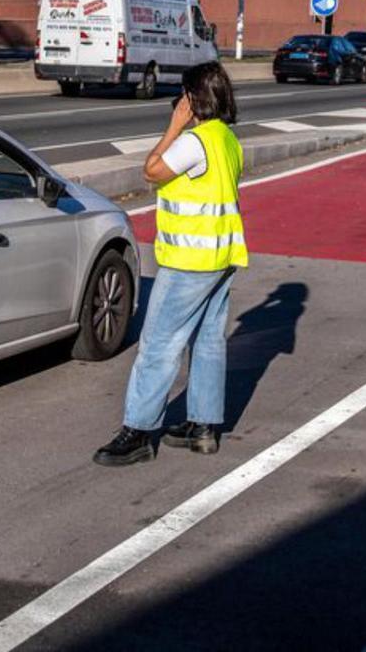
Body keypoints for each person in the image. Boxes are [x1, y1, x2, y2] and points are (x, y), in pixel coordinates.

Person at [94, 60, 247, 466]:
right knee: (209, 340)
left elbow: (151, 171)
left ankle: (139, 431)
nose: (178, 101)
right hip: (221, 256)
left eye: (183, 94)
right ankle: (203, 427)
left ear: (192, 98)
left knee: (159, 344)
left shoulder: (194, 141)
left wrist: (176, 125)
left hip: (188, 261)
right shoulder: (227, 139)